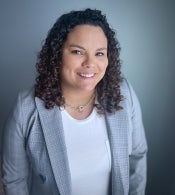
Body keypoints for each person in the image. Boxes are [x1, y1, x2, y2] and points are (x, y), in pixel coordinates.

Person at [2, 8, 148, 195]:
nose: (90, 63)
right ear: (57, 54)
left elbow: (137, 156)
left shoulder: (124, 93)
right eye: (78, 52)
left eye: (100, 53)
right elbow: (14, 180)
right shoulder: (26, 107)